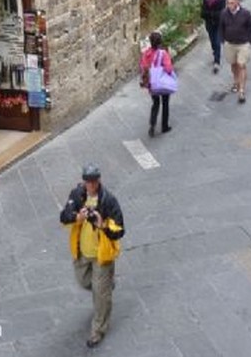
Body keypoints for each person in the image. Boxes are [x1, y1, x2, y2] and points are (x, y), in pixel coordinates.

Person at [60, 164, 125, 348]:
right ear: (83, 181)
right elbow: (63, 216)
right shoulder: (77, 195)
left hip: (101, 255)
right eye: (88, 181)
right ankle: (106, 287)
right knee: (83, 281)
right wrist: (76, 217)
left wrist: (102, 224)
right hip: (81, 251)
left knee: (100, 295)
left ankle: (98, 330)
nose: (91, 185)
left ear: (99, 181)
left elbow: (120, 230)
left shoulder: (108, 200)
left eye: (94, 181)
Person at [218, 0, 251, 103]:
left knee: (241, 65)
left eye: (232, 3)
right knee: (233, 65)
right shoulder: (224, 14)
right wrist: (222, 40)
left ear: (237, 2)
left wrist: (250, 41)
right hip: (230, 43)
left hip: (243, 44)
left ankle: (241, 91)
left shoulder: (246, 14)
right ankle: (236, 81)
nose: (230, 5)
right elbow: (221, 27)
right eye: (228, 3)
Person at [139, 31, 174, 137]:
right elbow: (168, 68)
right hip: (162, 83)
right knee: (165, 103)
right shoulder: (163, 53)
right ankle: (164, 126)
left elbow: (143, 67)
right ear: (160, 42)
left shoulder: (146, 54)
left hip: (152, 83)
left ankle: (152, 125)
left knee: (155, 104)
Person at [200, 0, 226, 73]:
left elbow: (221, 13)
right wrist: (211, 14)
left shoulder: (222, 0)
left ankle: (216, 62)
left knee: (217, 41)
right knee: (212, 41)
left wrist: (210, 14)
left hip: (218, 24)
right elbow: (202, 13)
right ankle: (215, 53)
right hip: (209, 25)